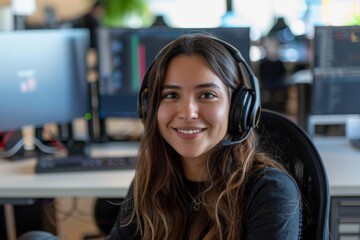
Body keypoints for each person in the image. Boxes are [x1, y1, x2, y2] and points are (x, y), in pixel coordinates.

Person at [106, 33, 302, 239]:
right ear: (149, 108)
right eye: (171, 95)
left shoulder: (270, 192)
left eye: (207, 95)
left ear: (239, 108)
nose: (187, 112)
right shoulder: (152, 182)